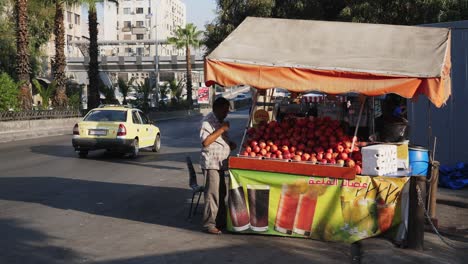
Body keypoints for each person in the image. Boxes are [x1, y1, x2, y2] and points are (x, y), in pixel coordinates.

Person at [200, 97, 237, 234]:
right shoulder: (207, 121)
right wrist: (222, 129)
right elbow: (206, 141)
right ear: (217, 108)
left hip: (220, 164)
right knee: (212, 195)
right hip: (212, 163)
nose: (226, 113)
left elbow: (218, 141)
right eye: (225, 110)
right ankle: (209, 224)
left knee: (221, 193)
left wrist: (229, 145)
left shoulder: (219, 121)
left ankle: (220, 221)